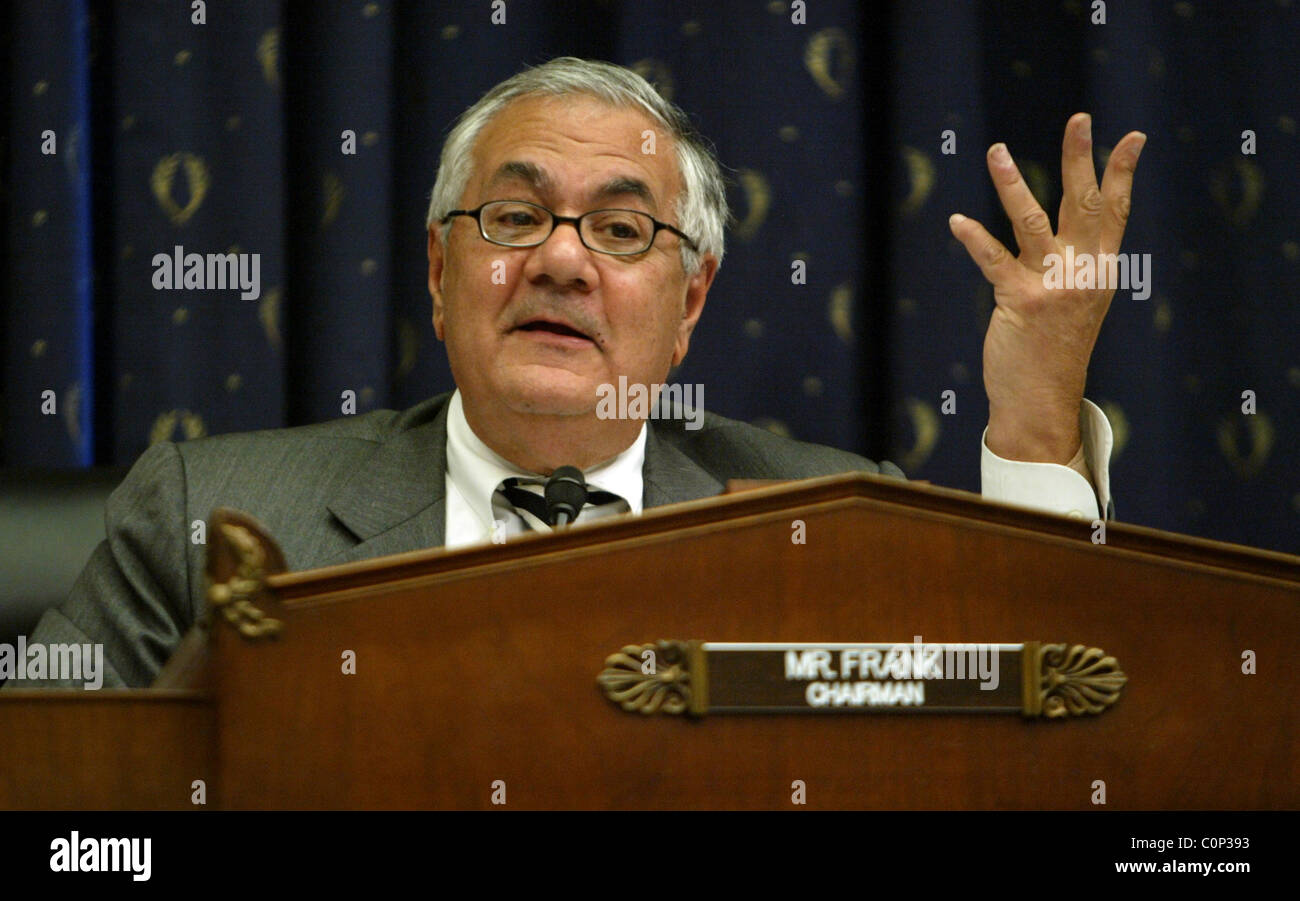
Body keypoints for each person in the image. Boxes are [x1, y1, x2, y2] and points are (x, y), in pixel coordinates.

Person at [15, 57, 1142, 688]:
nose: (558, 259)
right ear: (439, 269)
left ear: (689, 302)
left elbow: (1042, 722)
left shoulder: (831, 521)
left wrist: (1037, 422)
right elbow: (48, 801)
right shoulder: (204, 520)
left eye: (619, 231)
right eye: (514, 216)